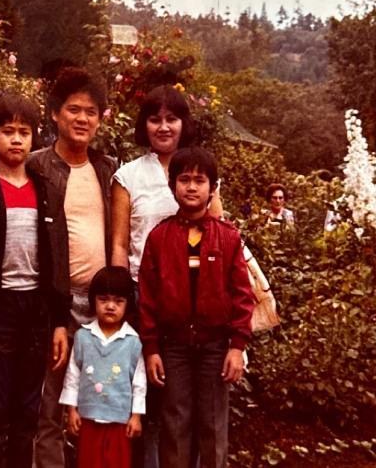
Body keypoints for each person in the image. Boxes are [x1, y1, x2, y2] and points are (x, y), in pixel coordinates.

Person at [0, 67, 117, 468]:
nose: (82, 119)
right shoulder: (36, 167)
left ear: (101, 118)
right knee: (40, 412)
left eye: (91, 111)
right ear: (54, 115)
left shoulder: (108, 170)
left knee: (101, 409)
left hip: (99, 308)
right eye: (73, 109)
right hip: (44, 306)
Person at [0, 93, 71, 468]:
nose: (16, 140)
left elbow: (57, 258)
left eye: (24, 132)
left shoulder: (45, 189)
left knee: (28, 414)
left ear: (35, 137)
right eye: (7, 132)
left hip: (35, 313)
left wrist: (59, 322)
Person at [109, 85, 221, 468]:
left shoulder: (199, 169)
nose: (163, 127)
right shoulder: (128, 176)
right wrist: (122, 301)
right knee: (147, 394)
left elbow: (216, 232)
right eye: (154, 119)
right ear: (144, 125)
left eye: (171, 118)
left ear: (183, 123)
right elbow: (121, 244)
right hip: (144, 295)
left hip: (194, 301)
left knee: (187, 400)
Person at [137, 147, 254, 468]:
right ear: (172, 184)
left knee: (212, 425)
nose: (191, 187)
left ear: (212, 187)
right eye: (184, 179)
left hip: (215, 347)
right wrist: (151, 349)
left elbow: (243, 295)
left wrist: (237, 346)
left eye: (199, 180)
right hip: (172, 348)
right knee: (175, 424)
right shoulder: (159, 238)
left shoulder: (228, 237)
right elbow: (147, 298)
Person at [60, 266, 146, 468]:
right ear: (93, 300)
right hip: (88, 420)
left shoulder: (133, 342)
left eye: (118, 301)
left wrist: (136, 416)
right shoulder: (83, 338)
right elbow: (72, 377)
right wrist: (72, 410)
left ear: (127, 305)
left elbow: (139, 382)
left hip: (120, 423)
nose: (110, 306)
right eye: (104, 299)